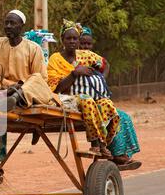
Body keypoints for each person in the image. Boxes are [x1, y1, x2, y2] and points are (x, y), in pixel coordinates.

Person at [48, 19, 120, 157]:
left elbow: (105, 64)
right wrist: (74, 74)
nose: (72, 41)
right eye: (68, 38)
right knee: (87, 100)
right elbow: (55, 89)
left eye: (75, 38)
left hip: (90, 98)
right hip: (66, 99)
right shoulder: (55, 59)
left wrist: (101, 78)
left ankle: (103, 143)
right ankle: (94, 142)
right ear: (62, 40)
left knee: (107, 104)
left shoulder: (85, 55)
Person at [0, 9, 57, 111]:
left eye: (12, 23)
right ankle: (3, 96)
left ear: (21, 26)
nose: (8, 26)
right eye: (6, 23)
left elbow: (42, 79)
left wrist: (21, 87)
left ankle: (14, 98)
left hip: (23, 88)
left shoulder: (34, 48)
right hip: (1, 86)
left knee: (37, 78)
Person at [79, 26, 141, 170]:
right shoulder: (73, 57)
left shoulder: (92, 56)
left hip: (97, 98)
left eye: (88, 44)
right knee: (111, 114)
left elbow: (106, 64)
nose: (85, 47)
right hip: (84, 100)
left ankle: (118, 154)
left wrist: (101, 78)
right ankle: (116, 155)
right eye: (82, 43)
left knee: (123, 116)